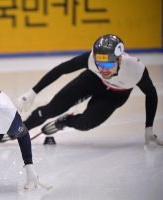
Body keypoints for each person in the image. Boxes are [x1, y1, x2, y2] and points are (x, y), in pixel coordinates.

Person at [15, 34, 163, 146]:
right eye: (100, 63)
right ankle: (20, 128)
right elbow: (62, 69)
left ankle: (65, 121)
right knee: (52, 109)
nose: (104, 69)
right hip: (91, 81)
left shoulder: (136, 70)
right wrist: (33, 92)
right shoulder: (92, 59)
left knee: (85, 124)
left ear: (119, 60)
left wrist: (149, 128)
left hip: (114, 96)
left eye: (109, 64)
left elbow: (151, 94)